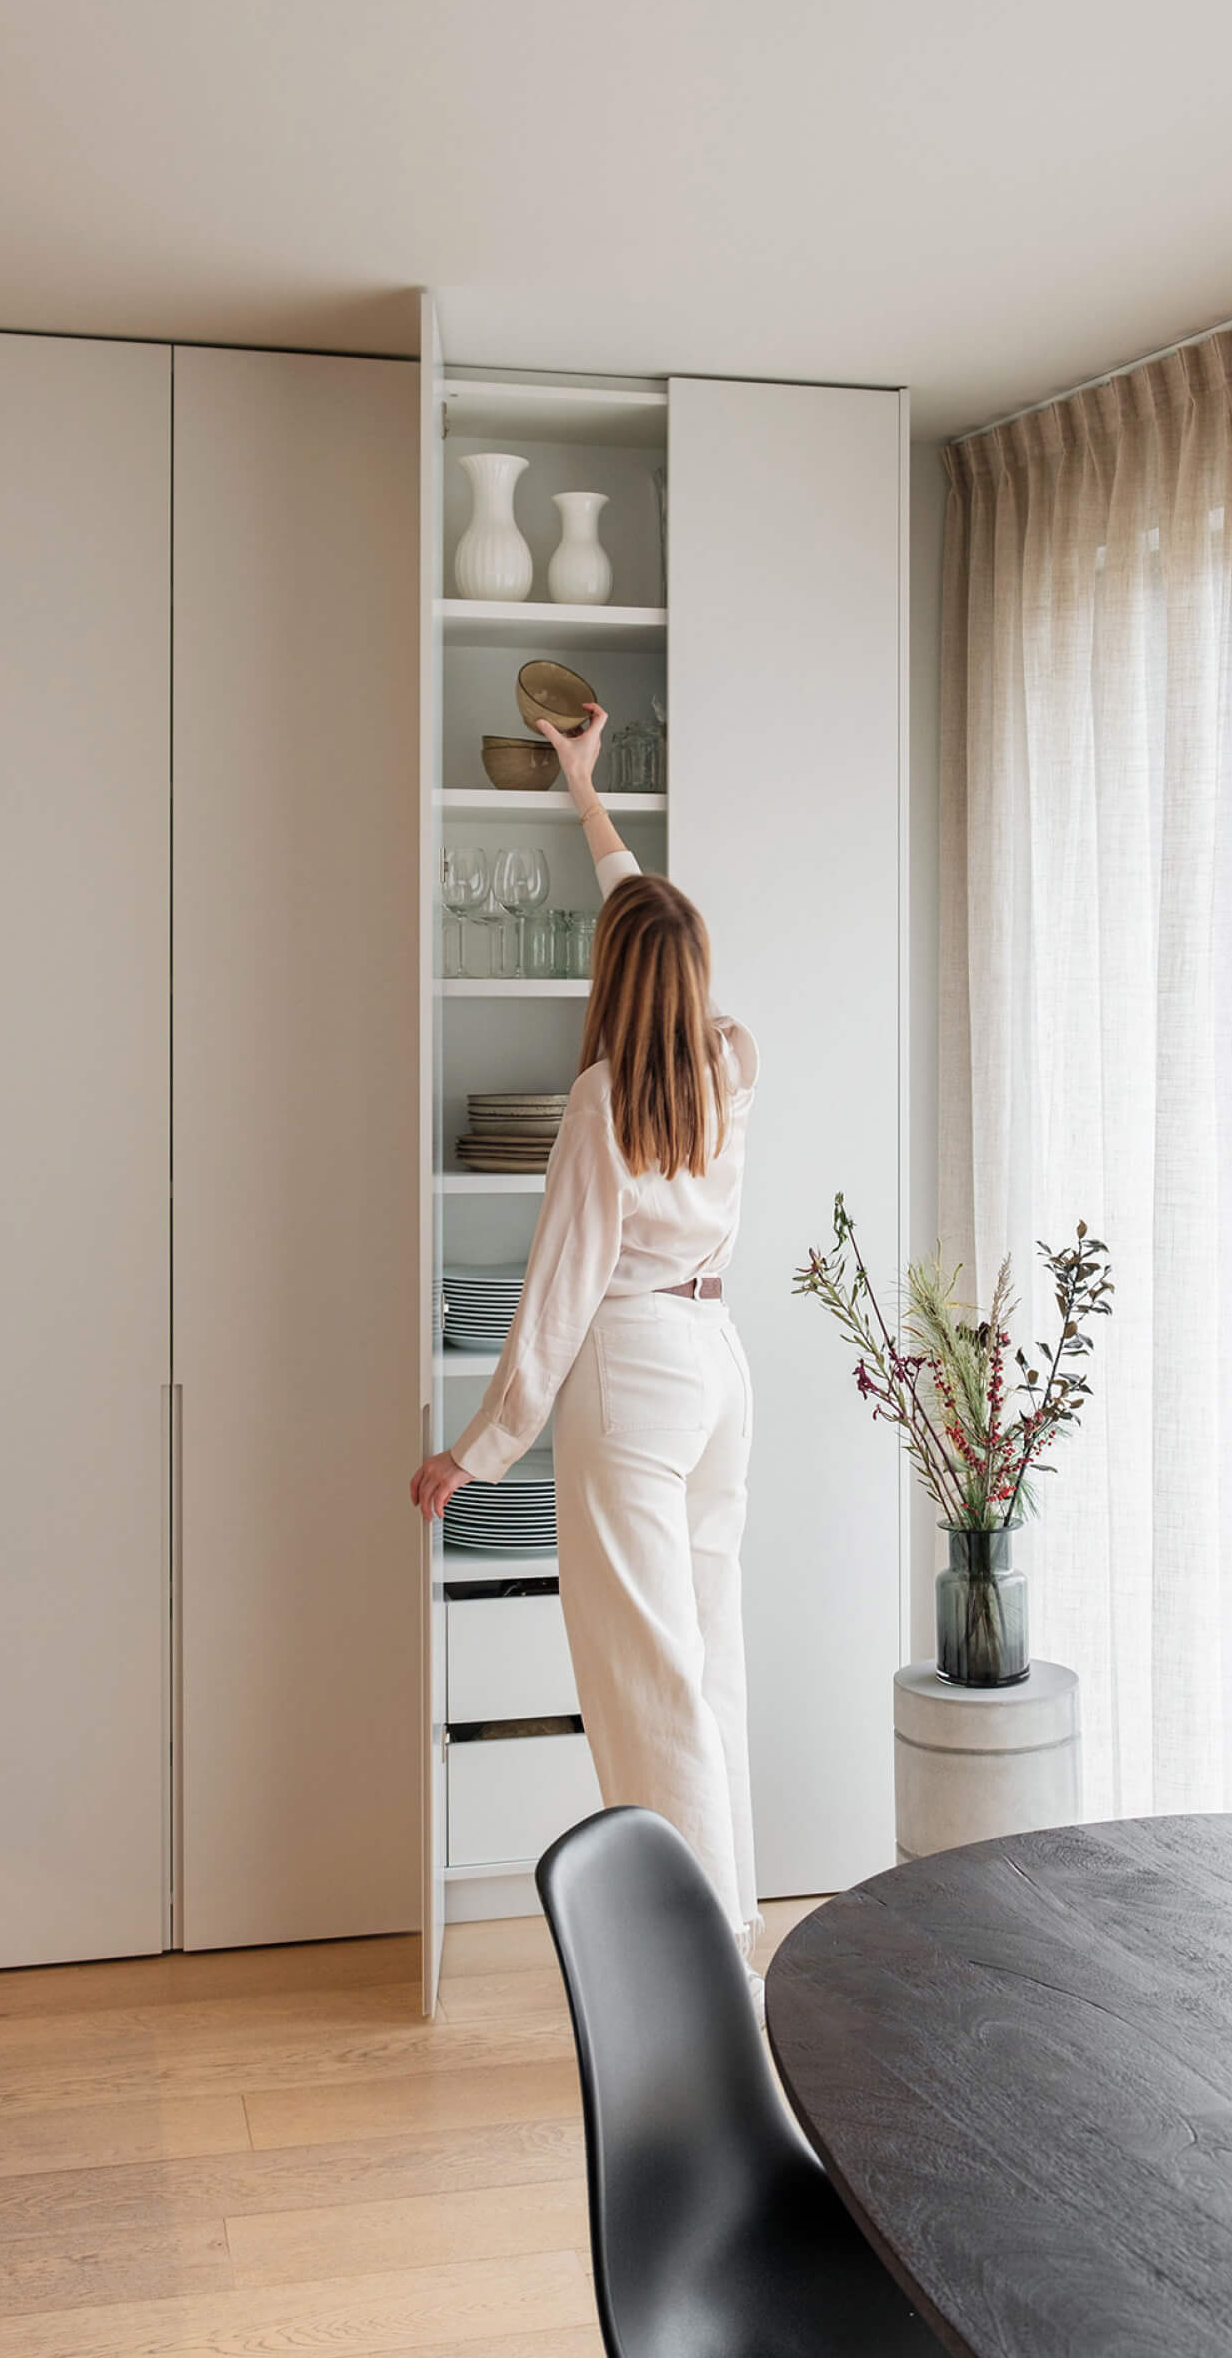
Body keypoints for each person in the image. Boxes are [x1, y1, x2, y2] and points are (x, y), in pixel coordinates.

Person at [412, 705, 762, 1997]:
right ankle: (732, 1947)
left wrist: (475, 1449)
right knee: (708, 1671)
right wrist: (585, 795)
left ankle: (694, 1982)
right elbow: (648, 918)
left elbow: (556, 1298)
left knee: (647, 1689)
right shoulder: (729, 1065)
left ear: (614, 981)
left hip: (631, 1376)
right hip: (719, 1368)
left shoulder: (604, 1105)